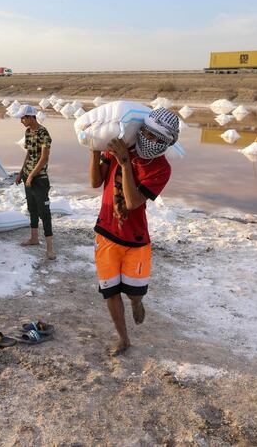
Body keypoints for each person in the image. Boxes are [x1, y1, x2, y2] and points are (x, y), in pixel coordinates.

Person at [89, 107, 179, 355]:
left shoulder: (160, 168)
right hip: (106, 233)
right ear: (141, 129)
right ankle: (123, 338)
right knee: (110, 292)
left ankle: (137, 303)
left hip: (136, 240)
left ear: (167, 143)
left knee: (133, 293)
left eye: (157, 138)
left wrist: (125, 164)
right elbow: (96, 182)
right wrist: (95, 148)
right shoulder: (120, 147)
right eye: (147, 134)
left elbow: (132, 202)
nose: (150, 141)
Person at [14, 105, 55, 260]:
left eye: (23, 118)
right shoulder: (27, 132)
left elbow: (44, 158)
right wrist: (21, 173)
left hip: (40, 178)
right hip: (28, 176)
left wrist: (32, 175)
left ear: (31, 117)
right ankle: (34, 238)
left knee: (44, 212)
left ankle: (50, 248)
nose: (21, 121)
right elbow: (29, 154)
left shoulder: (43, 133)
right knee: (32, 207)